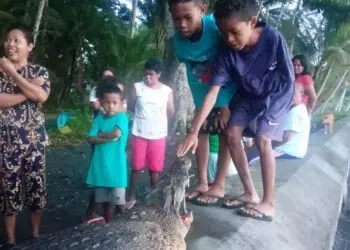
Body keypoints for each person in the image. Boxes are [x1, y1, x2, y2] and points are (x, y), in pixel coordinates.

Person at [178, 0, 295, 221]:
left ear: (251, 22)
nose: (230, 39)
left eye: (234, 32)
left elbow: (287, 76)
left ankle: (268, 202)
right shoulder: (227, 52)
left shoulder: (272, 38)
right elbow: (212, 92)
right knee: (231, 134)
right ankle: (250, 193)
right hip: (248, 93)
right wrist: (194, 131)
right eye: (224, 33)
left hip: (276, 93)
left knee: (262, 139)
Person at [169, 0, 237, 205]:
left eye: (188, 17)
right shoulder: (177, 42)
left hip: (227, 90)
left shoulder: (216, 28)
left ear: (202, 10)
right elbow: (190, 68)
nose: (182, 24)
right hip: (201, 93)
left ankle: (219, 184)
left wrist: (225, 105)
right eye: (176, 18)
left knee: (225, 134)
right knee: (201, 133)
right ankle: (201, 182)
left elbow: (230, 62)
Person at [0, 25, 50, 248]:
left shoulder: (39, 72)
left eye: (16, 40)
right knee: (8, 190)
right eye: (8, 39)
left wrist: (11, 73)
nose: (10, 44)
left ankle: (36, 235)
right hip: (5, 141)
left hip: (34, 142)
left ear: (29, 46)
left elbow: (41, 96)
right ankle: (10, 240)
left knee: (36, 189)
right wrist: (26, 91)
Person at [125, 58, 175, 210]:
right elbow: (132, 105)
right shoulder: (137, 87)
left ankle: (153, 198)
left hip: (158, 134)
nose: (148, 77)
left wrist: (157, 120)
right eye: (146, 74)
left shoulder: (167, 91)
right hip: (139, 132)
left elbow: (171, 111)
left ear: (158, 74)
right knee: (136, 167)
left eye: (151, 74)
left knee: (155, 169)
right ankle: (131, 197)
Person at [84, 80, 129, 223]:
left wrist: (102, 135)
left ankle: (123, 228)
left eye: (115, 102)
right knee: (105, 203)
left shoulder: (122, 117)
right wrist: (107, 138)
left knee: (119, 203)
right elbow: (90, 138)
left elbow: (116, 134)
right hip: (101, 167)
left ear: (121, 103)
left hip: (117, 169)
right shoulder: (98, 119)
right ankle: (108, 226)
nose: (111, 106)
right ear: (101, 102)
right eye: (107, 102)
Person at [248, 84, 310, 164]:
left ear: (301, 96)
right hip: (295, 149)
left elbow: (287, 138)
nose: (291, 96)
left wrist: (268, 144)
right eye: (289, 93)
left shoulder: (295, 112)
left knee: (250, 157)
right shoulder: (301, 108)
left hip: (288, 150)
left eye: (294, 94)